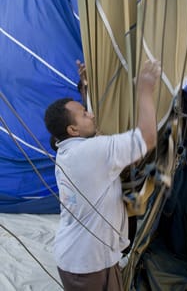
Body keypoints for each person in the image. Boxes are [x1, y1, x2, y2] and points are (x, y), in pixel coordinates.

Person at [44, 59, 161, 291]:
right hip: (84, 265)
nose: (92, 114)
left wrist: (86, 88)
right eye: (85, 113)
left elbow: (89, 130)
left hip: (94, 256)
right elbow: (147, 137)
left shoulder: (68, 148)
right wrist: (145, 90)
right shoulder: (91, 152)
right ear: (72, 130)